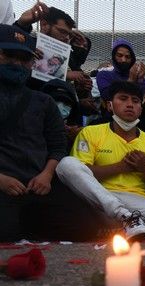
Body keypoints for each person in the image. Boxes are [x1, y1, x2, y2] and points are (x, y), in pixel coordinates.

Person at [0, 24, 106, 242]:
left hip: (38, 184)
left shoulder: (44, 101)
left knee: (86, 227)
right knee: (6, 233)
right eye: (9, 55)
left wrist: (47, 175)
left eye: (24, 58)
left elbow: (57, 146)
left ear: (32, 63)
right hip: (3, 185)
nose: (17, 63)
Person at [56, 81, 145, 240]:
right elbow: (81, 173)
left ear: (141, 108)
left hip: (138, 201)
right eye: (123, 99)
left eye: (135, 101)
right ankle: (124, 217)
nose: (130, 105)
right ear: (109, 105)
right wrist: (121, 167)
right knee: (66, 164)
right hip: (99, 199)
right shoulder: (91, 132)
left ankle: (119, 231)